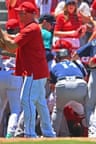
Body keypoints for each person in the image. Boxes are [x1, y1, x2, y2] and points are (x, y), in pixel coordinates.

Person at [0, 2, 55, 138]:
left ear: (31, 14)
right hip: (38, 71)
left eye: (22, 13)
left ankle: (29, 133)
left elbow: (12, 45)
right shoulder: (30, 27)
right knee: (40, 102)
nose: (19, 14)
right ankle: (48, 132)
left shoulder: (31, 28)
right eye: (19, 12)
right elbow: (11, 45)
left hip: (34, 72)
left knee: (26, 100)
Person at [49, 48, 88, 136]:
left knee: (57, 110)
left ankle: (52, 134)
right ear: (69, 57)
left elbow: (52, 86)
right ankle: (91, 132)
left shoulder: (55, 66)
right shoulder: (77, 64)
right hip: (79, 85)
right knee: (86, 110)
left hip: (62, 86)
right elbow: (85, 78)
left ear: (57, 58)